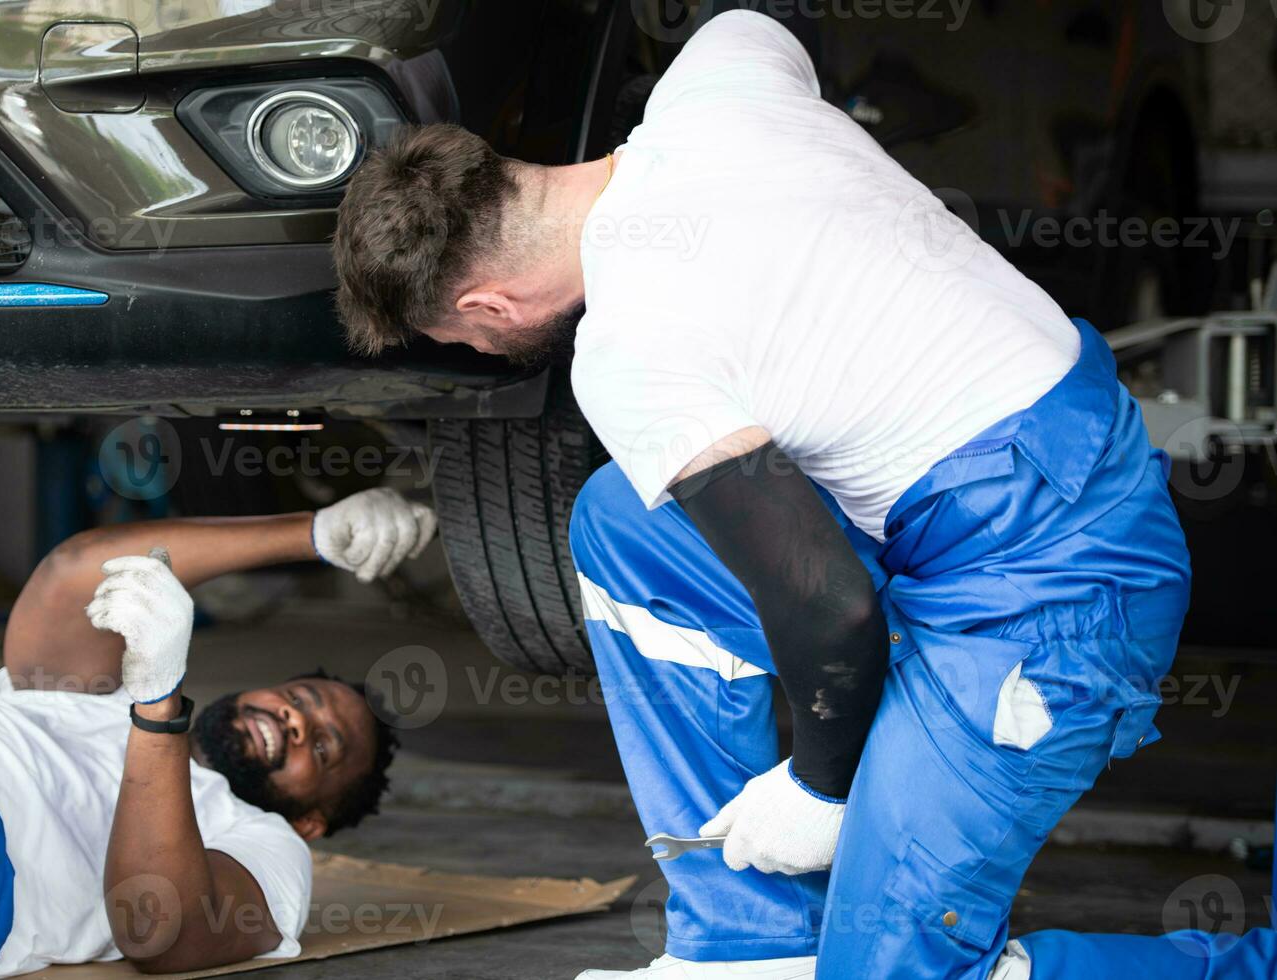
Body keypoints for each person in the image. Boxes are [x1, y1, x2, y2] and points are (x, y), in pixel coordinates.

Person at [328, 9, 1264, 979]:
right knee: (621, 524)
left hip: (1052, 593)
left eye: (459, 341)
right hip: (1027, 480)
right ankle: (748, 943)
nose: (476, 353)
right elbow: (778, 19)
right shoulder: (720, 74)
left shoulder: (628, 348)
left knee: (890, 972)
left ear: (483, 307)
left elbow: (830, 603)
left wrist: (817, 791)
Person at [0, 487, 436, 978]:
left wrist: (159, 704)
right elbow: (79, 569)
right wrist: (314, 534)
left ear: (313, 819)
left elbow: (157, 935)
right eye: (298, 698)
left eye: (321, 745)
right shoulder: (87, 691)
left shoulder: (267, 846)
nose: (294, 719)